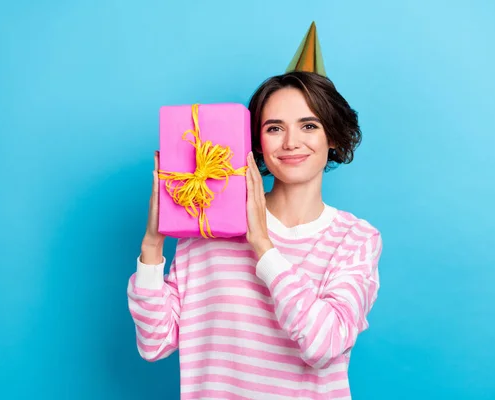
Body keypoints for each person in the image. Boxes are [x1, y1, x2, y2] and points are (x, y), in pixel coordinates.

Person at [127, 69, 383, 399]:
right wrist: (152, 244)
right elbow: (154, 343)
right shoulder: (208, 231)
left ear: (331, 136)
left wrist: (263, 245)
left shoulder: (356, 240)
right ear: (258, 144)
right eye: (274, 128)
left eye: (309, 125)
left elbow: (324, 345)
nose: (291, 142)